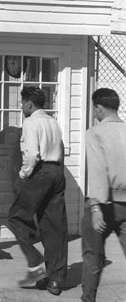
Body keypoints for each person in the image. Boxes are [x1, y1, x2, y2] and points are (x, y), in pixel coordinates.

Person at [7, 86, 67, 296]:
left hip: (39, 172)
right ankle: (54, 280)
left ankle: (36, 263)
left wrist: (24, 174)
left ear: (29, 104)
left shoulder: (31, 122)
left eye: (22, 103)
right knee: (54, 226)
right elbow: (60, 148)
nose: (21, 107)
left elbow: (32, 154)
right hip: (57, 172)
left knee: (15, 217)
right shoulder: (53, 122)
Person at [81, 88, 126, 302]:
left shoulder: (95, 132)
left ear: (98, 108)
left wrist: (95, 206)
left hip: (104, 203)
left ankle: (89, 298)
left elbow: (98, 170)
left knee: (93, 255)